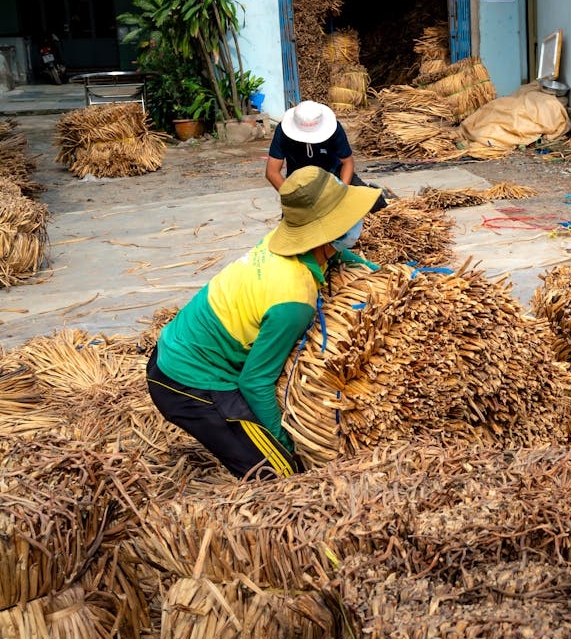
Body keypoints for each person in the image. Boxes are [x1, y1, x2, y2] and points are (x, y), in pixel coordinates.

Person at [146, 166, 382, 479]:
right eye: (346, 218)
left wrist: (379, 273)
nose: (355, 223)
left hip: (180, 344)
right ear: (327, 233)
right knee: (282, 474)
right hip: (189, 382)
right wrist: (286, 442)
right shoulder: (293, 300)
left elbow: (335, 257)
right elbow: (255, 381)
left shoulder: (287, 242)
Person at [265, 100, 390, 212]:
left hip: (334, 175)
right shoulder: (282, 131)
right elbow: (272, 172)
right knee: (295, 223)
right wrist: (292, 198)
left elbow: (348, 162)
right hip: (301, 183)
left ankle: (378, 193)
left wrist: (341, 190)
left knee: (372, 205)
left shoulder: (335, 128)